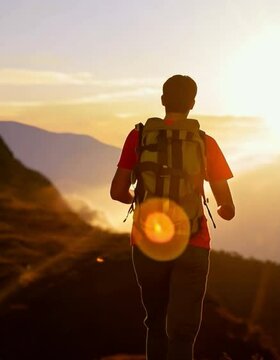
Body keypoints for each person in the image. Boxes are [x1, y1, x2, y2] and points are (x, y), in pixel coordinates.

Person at [110, 75, 235, 360]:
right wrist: (218, 208)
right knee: (181, 332)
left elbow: (117, 191)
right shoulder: (205, 142)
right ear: (193, 103)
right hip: (193, 242)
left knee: (155, 324)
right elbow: (227, 208)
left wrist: (137, 200)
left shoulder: (139, 136)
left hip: (147, 243)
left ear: (163, 100)